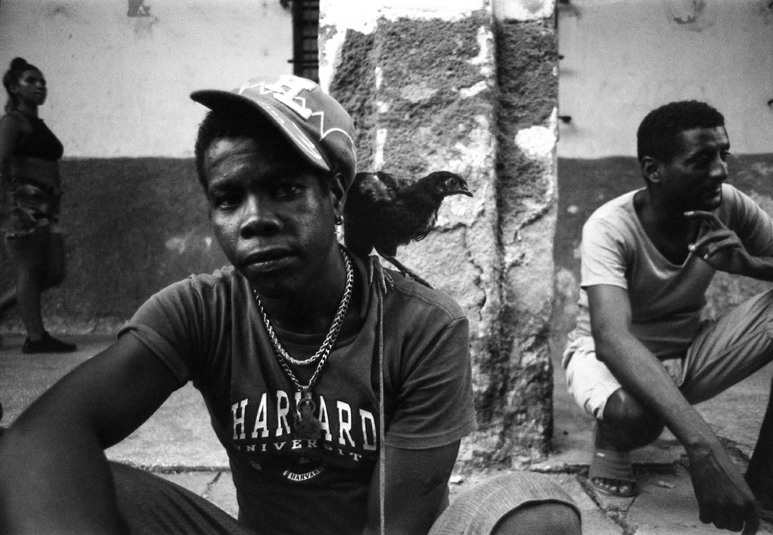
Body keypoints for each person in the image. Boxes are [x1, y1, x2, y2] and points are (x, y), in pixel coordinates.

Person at [0, 74, 581, 535]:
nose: (255, 219)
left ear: (336, 196)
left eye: (284, 189)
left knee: (533, 509)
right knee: (50, 474)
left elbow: (393, 526)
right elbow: (45, 434)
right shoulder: (200, 309)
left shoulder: (424, 325)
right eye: (228, 199)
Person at [563, 100, 773, 533]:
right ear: (654, 170)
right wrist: (704, 447)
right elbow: (612, 339)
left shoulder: (729, 204)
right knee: (635, 416)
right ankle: (612, 435)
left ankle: (769, 477)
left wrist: (751, 265)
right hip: (606, 359)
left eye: (724, 154)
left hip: (688, 352)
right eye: (701, 160)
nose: (721, 170)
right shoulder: (609, 226)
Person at [0, 57, 76, 353]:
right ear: (13, 87)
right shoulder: (12, 121)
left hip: (48, 208)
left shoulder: (36, 123)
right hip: (24, 205)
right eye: (31, 80)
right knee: (29, 270)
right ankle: (36, 338)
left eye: (42, 81)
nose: (40, 86)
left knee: (54, 271)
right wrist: (7, 206)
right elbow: (1, 162)